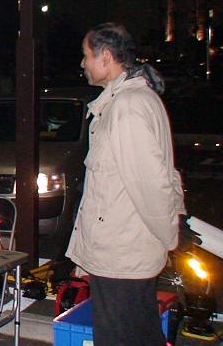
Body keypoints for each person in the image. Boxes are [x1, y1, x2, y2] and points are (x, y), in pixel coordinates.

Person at [66, 23, 185, 346]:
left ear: (106, 57)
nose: (83, 63)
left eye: (86, 55)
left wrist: (170, 236)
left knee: (120, 337)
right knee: (138, 334)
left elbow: (151, 184)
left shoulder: (128, 107)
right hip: (125, 252)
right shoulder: (127, 101)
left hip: (124, 255)